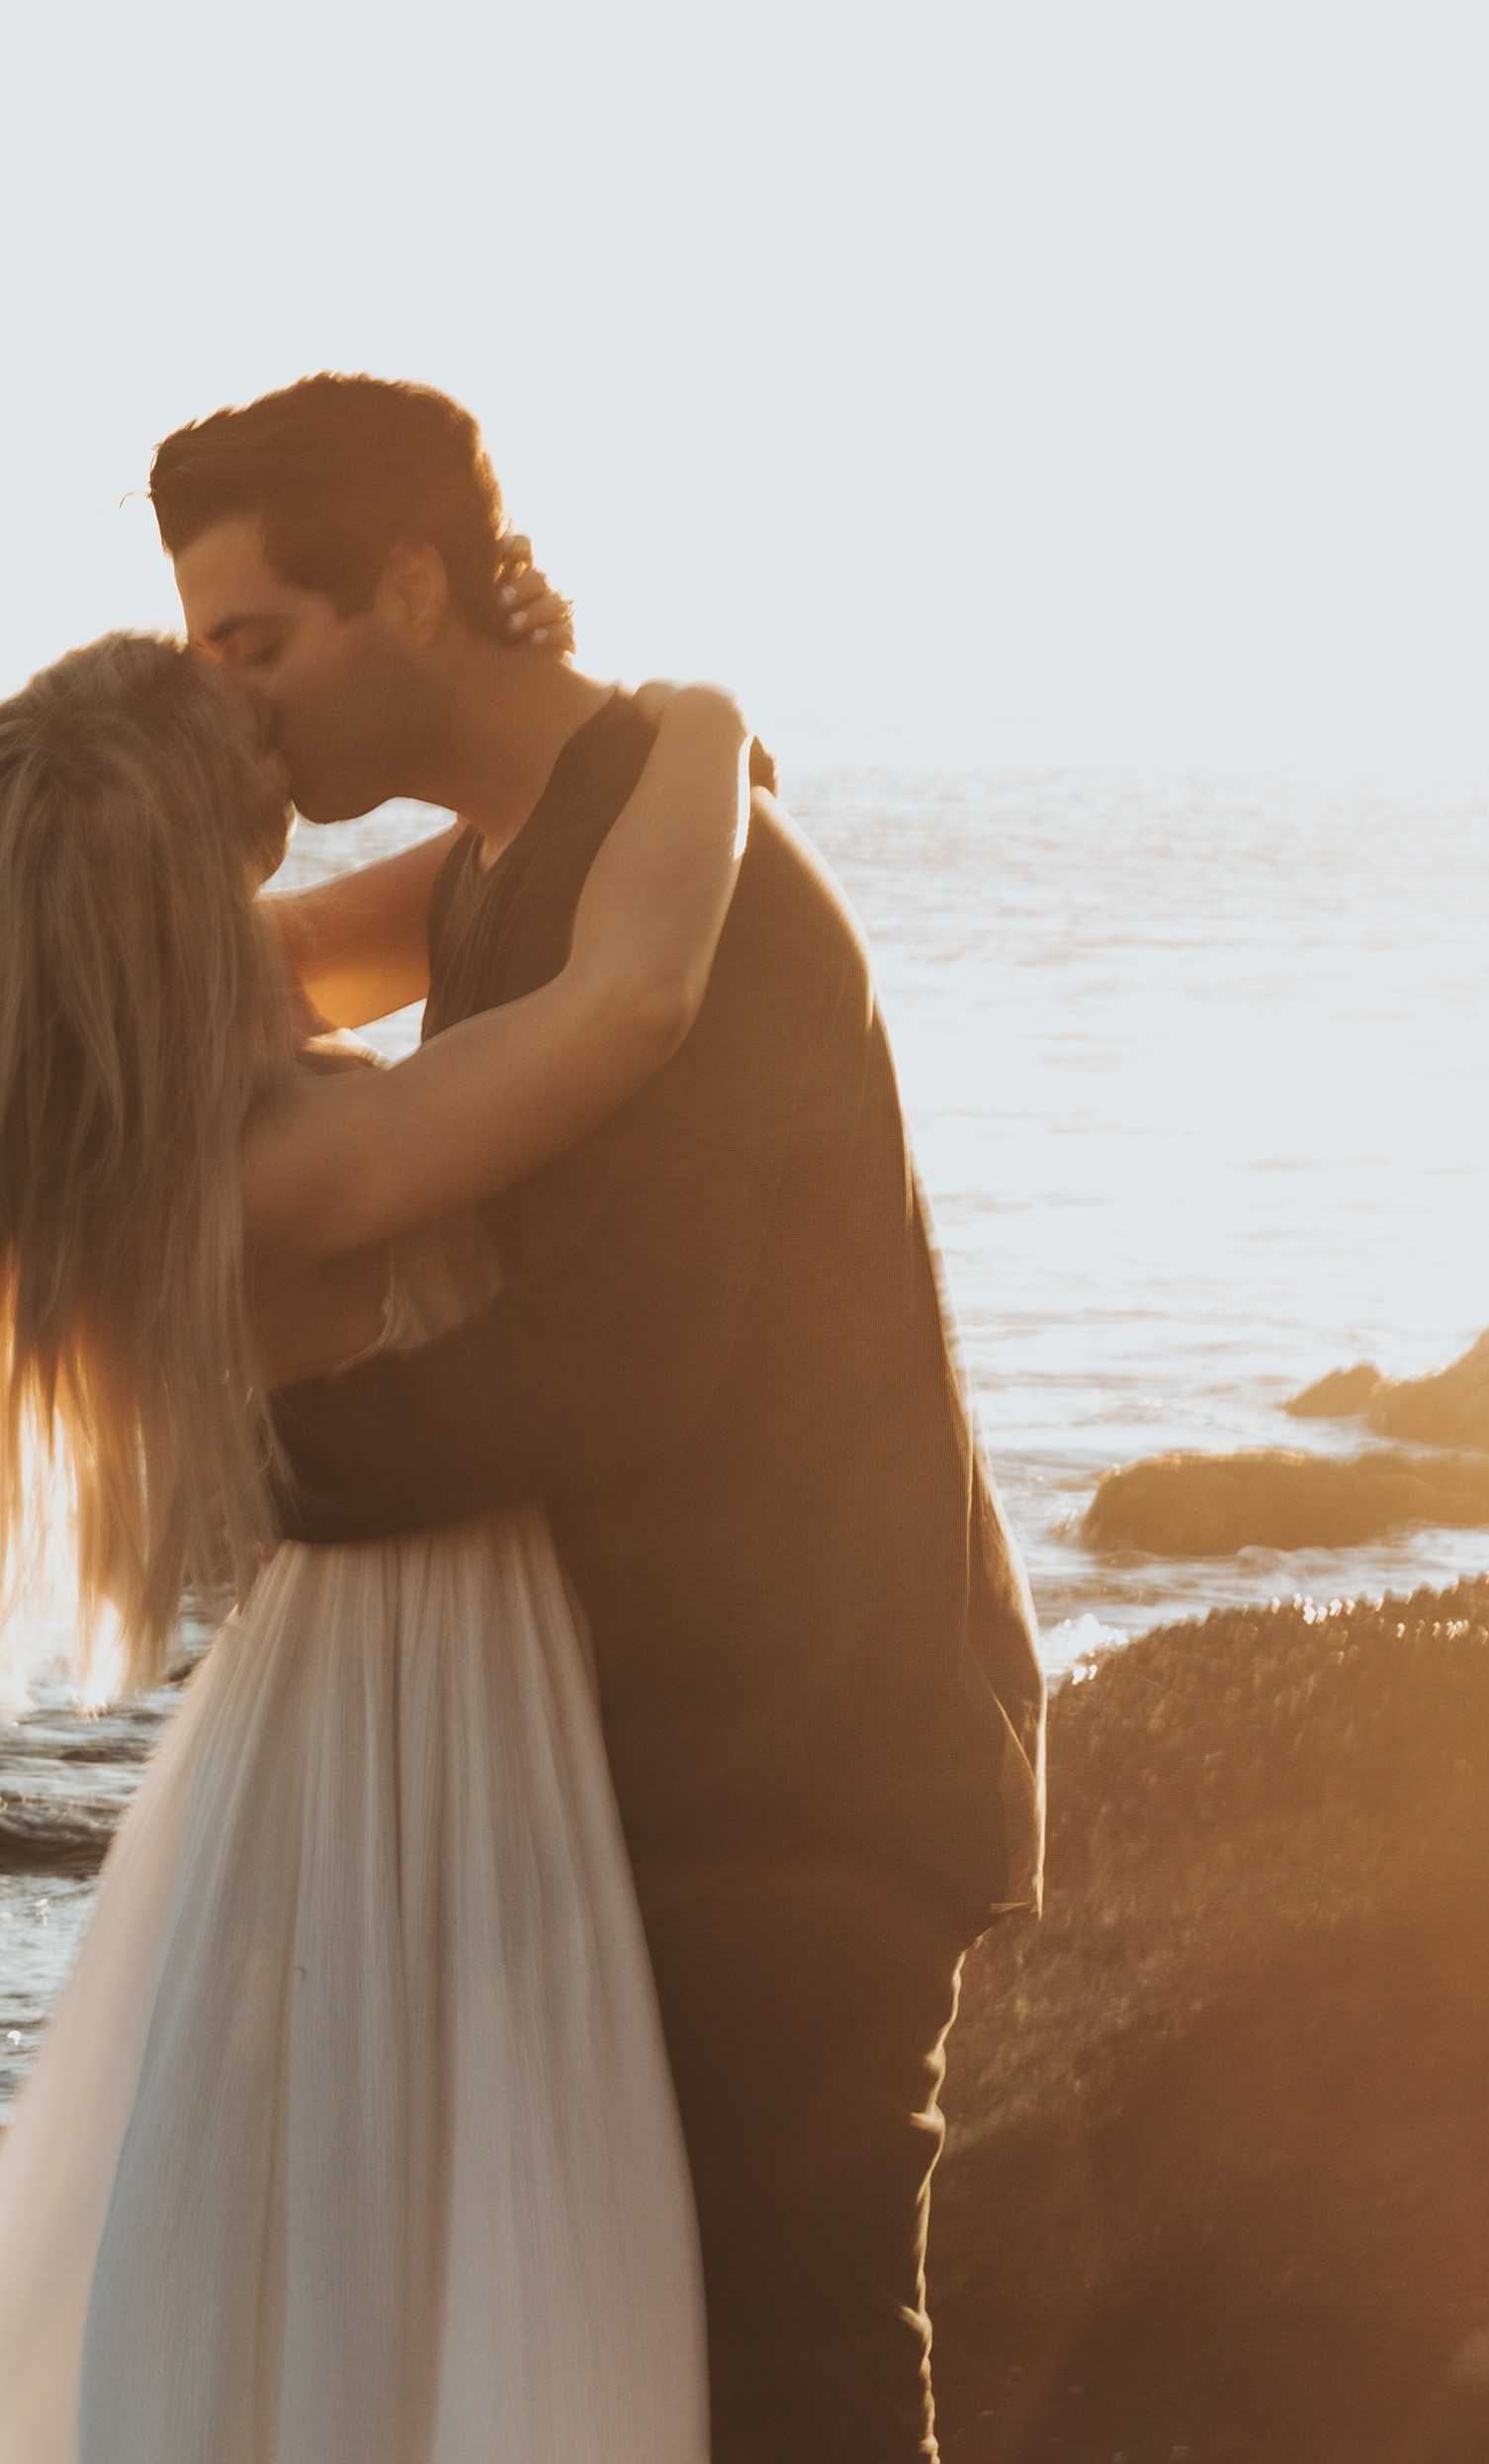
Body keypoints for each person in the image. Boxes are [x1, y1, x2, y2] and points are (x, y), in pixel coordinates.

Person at [168, 373, 1049, 2462]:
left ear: (409, 583)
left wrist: (229, 1468)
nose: (235, 713)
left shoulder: (683, 887)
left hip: (806, 1773)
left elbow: (615, 1362)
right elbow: (211, 982)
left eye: (255, 647)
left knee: (798, 2392)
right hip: (657, 1765)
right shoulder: (506, 866)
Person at [0, 599, 756, 2462]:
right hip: (429, 1702)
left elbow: (437, 908)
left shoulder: (128, 1119)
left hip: (335, 1694)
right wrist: (700, 722)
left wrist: (571, 789)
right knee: (458, 2261)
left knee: (335, 2260)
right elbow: (632, 998)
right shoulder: (288, 1168)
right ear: (184, 893)